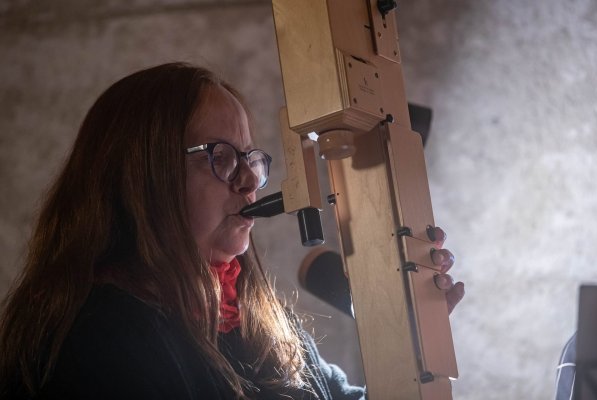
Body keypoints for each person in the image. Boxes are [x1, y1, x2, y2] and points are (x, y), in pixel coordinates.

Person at [0, 62, 464, 399]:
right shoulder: (95, 342)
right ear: (141, 176)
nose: (248, 182)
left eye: (250, 159)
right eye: (219, 157)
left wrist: (408, 340)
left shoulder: (254, 319)